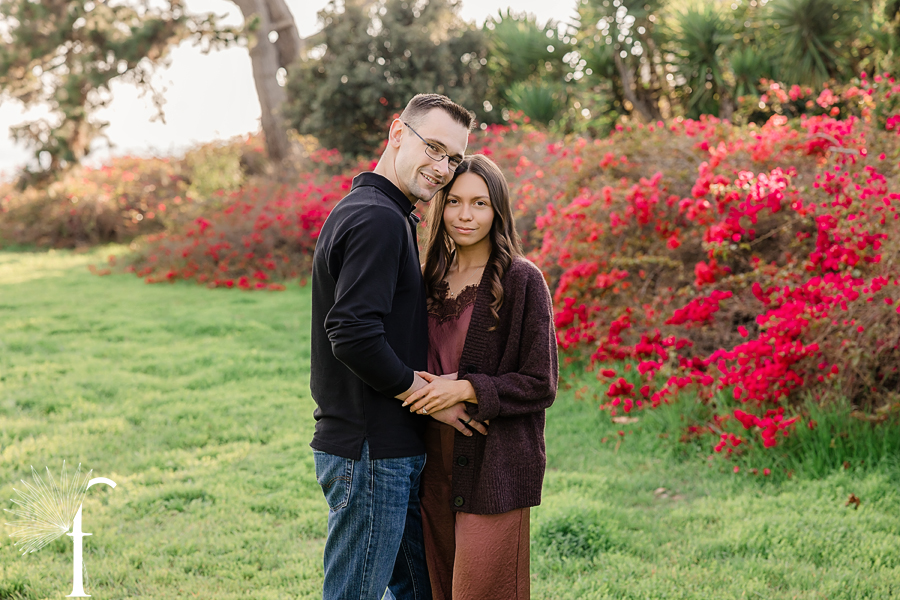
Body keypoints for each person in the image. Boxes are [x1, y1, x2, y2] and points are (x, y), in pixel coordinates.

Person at [309, 94, 486, 600]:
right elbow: (351, 331)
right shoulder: (378, 219)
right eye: (433, 148)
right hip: (371, 451)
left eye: (453, 159)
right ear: (397, 132)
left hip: (388, 447)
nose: (442, 168)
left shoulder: (380, 212)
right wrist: (425, 395)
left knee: (420, 589)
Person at [402, 154, 559, 600]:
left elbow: (540, 381)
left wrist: (467, 387)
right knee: (437, 586)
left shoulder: (521, 280)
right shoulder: (427, 277)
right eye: (454, 202)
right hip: (429, 459)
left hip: (494, 461)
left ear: (498, 211)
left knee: (481, 590)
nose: (465, 215)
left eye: (480, 203)